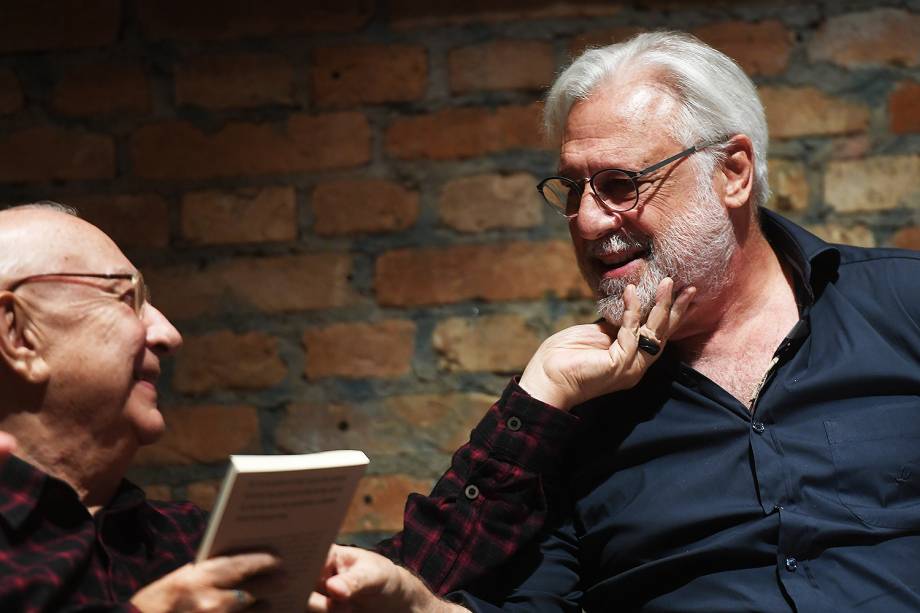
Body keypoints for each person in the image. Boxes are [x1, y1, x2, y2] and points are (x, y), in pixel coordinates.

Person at [310, 31, 920, 612]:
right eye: (574, 189)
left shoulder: (901, 305)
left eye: (620, 184)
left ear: (732, 173)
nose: (587, 221)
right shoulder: (575, 414)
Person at [0, 202, 280, 612]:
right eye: (126, 297)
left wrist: (409, 593)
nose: (169, 334)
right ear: (17, 335)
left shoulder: (186, 542)